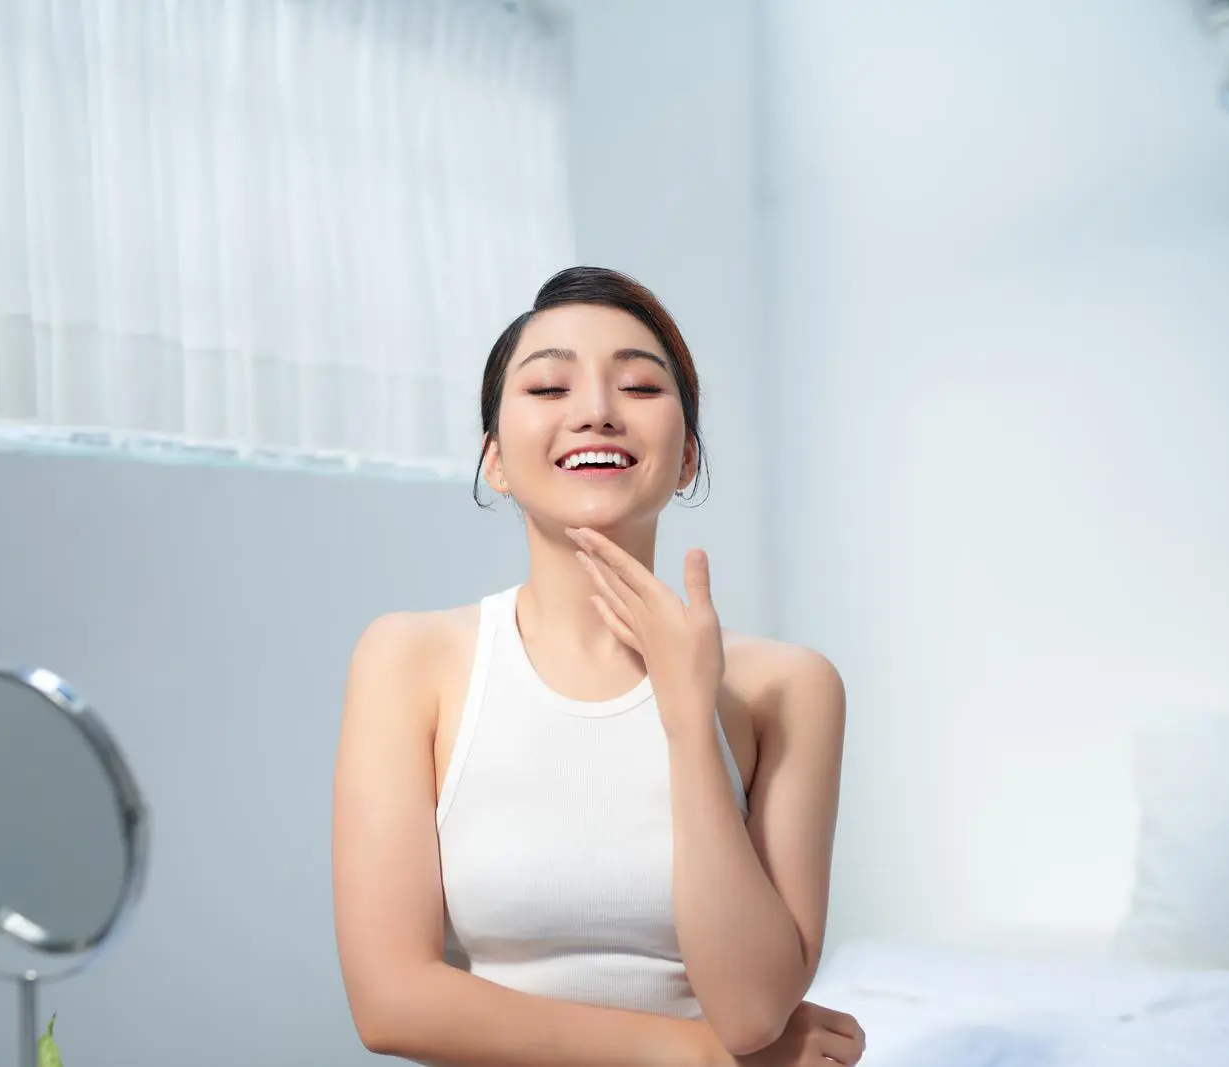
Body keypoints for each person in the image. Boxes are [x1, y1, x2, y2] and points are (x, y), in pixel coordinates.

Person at [331, 266, 864, 1066]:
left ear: (686, 458)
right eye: (548, 387)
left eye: (640, 387)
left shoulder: (789, 688)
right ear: (496, 460)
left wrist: (689, 720)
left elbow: (754, 1009)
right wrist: (699, 1056)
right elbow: (391, 1002)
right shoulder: (410, 659)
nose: (596, 412)